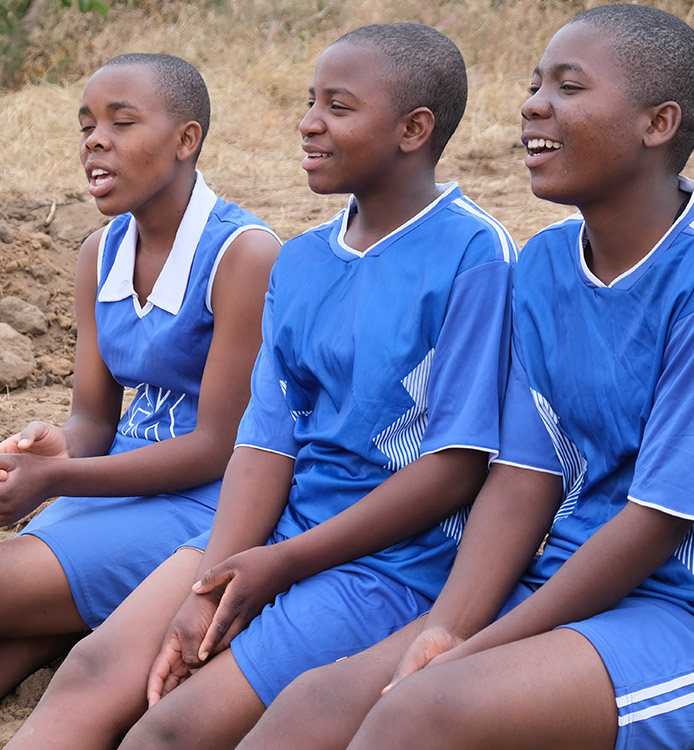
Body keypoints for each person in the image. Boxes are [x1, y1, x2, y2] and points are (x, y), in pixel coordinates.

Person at [236, 5, 694, 750]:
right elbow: (522, 476)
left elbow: (661, 516)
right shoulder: (542, 265)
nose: (533, 103)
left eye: (569, 87)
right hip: (563, 576)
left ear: (658, 122)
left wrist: (475, 651)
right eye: (536, 83)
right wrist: (449, 624)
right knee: (316, 704)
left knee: (422, 710)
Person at [6, 22, 518, 750]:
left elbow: (456, 466)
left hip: (385, 560)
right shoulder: (306, 259)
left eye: (337, 106)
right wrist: (216, 575)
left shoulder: (475, 251)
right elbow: (265, 441)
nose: (307, 121)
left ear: (414, 128)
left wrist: (276, 565)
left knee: (172, 729)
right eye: (310, 100)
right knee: (93, 669)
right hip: (265, 533)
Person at [0, 53, 280, 698]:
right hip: (116, 482)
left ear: (187, 140)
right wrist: (55, 449)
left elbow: (219, 447)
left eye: (122, 123)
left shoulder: (243, 253)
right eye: (87, 126)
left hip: (207, 503)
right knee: (20, 630)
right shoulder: (99, 253)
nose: (96, 140)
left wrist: (60, 478)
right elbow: (96, 421)